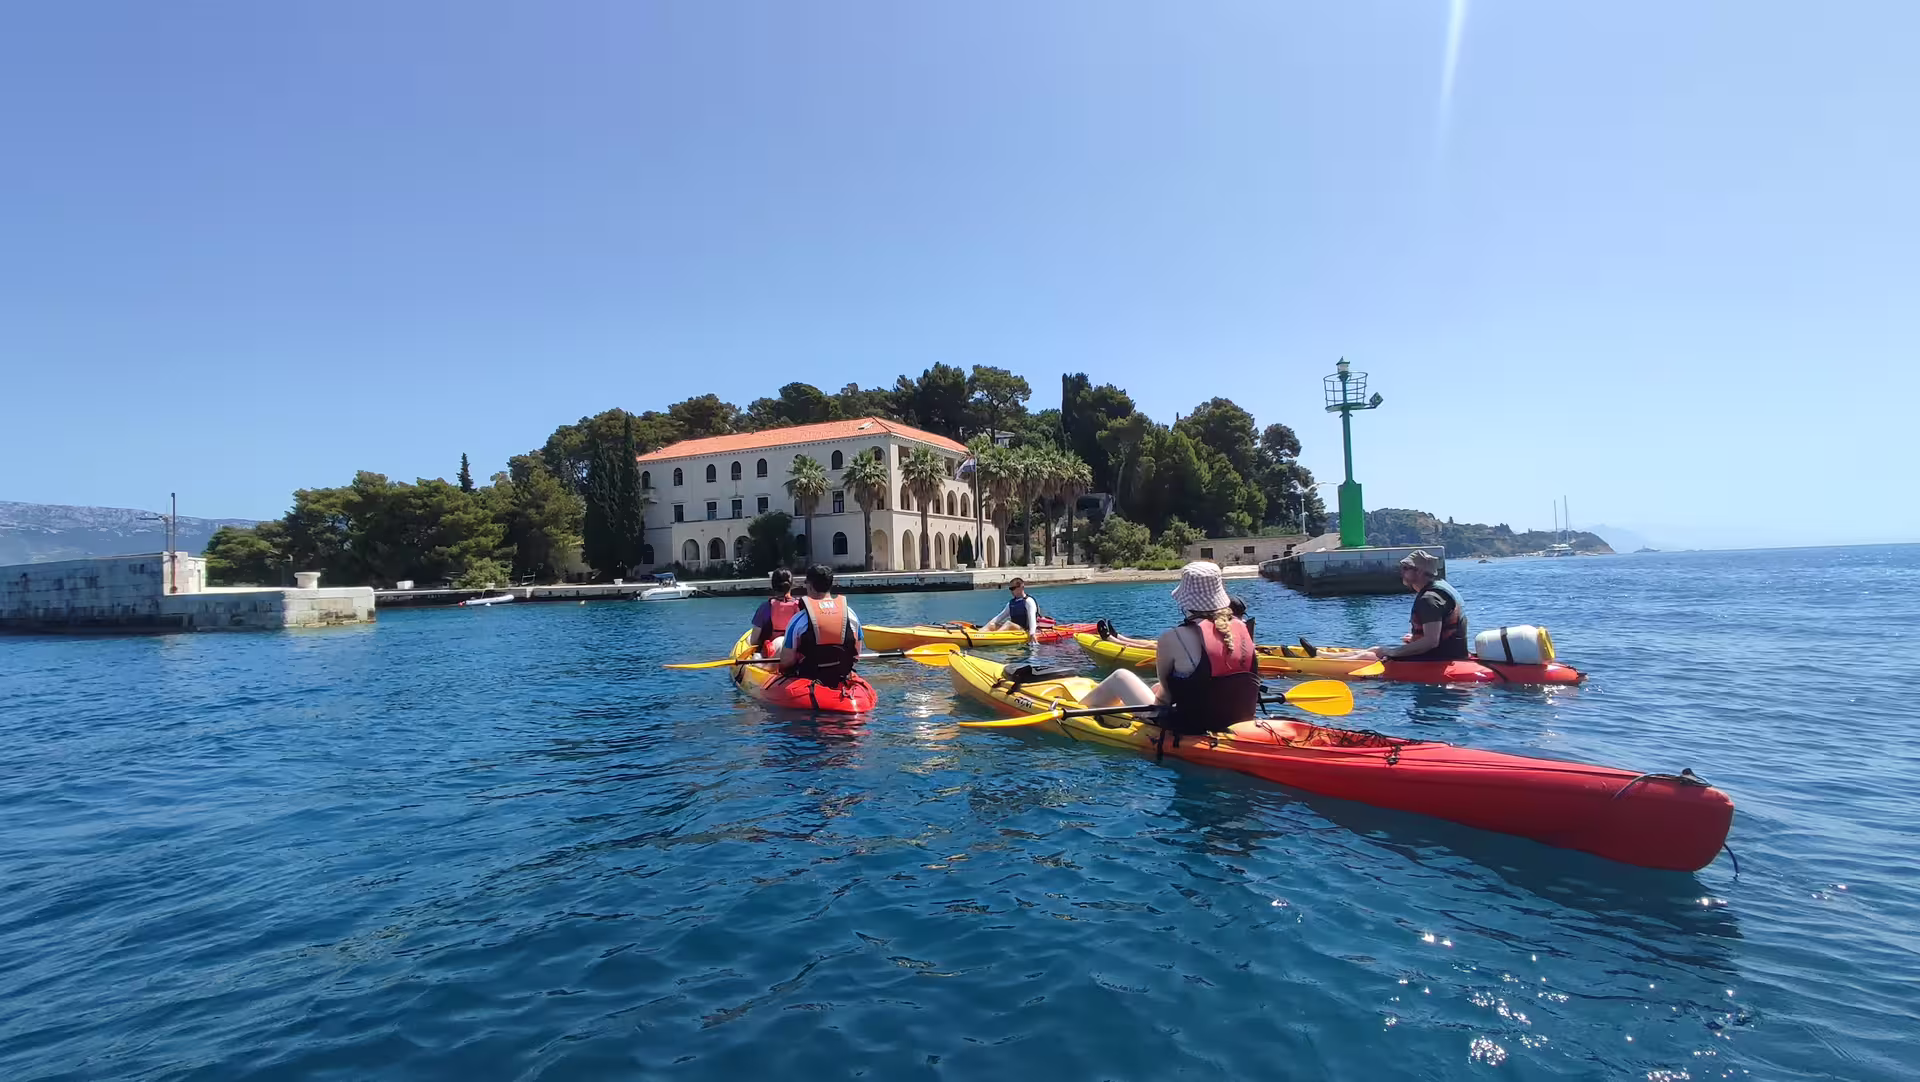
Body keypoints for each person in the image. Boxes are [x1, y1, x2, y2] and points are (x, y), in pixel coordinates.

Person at [1080, 561, 1262, 735]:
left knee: (1121, 677)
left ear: (1186, 600)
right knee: (1157, 686)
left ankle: (1075, 713)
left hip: (1190, 724)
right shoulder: (1241, 628)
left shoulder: (1173, 637)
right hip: (1239, 718)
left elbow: (1164, 699)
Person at [1361, 550, 1467, 661]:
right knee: (1375, 650)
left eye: (1406, 568)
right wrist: (1416, 638)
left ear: (1420, 571)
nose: (1401, 571)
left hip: (1438, 659)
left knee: (1369, 656)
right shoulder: (1441, 588)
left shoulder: (1429, 599)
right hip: (1449, 654)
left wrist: (1392, 652)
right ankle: (1341, 657)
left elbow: (1431, 642)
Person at [778, 565, 866, 686]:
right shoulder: (851, 615)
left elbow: (786, 661)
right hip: (841, 676)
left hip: (809, 678)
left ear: (809, 586)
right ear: (830, 584)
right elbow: (857, 653)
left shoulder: (798, 620)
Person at [748, 569, 803, 657]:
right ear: (791, 585)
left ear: (773, 585)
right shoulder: (801, 606)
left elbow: (753, 641)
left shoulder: (765, 607)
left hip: (771, 653)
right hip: (796, 653)